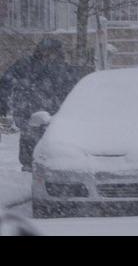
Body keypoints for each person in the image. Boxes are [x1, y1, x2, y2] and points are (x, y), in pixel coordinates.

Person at [0, 39, 91, 170]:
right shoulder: (26, 65)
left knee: (51, 142)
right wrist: (3, 101)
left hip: (52, 113)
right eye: (46, 51)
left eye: (52, 52)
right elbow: (6, 83)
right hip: (28, 111)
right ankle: (29, 165)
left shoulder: (63, 69)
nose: (48, 55)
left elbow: (73, 90)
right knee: (30, 139)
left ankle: (48, 166)